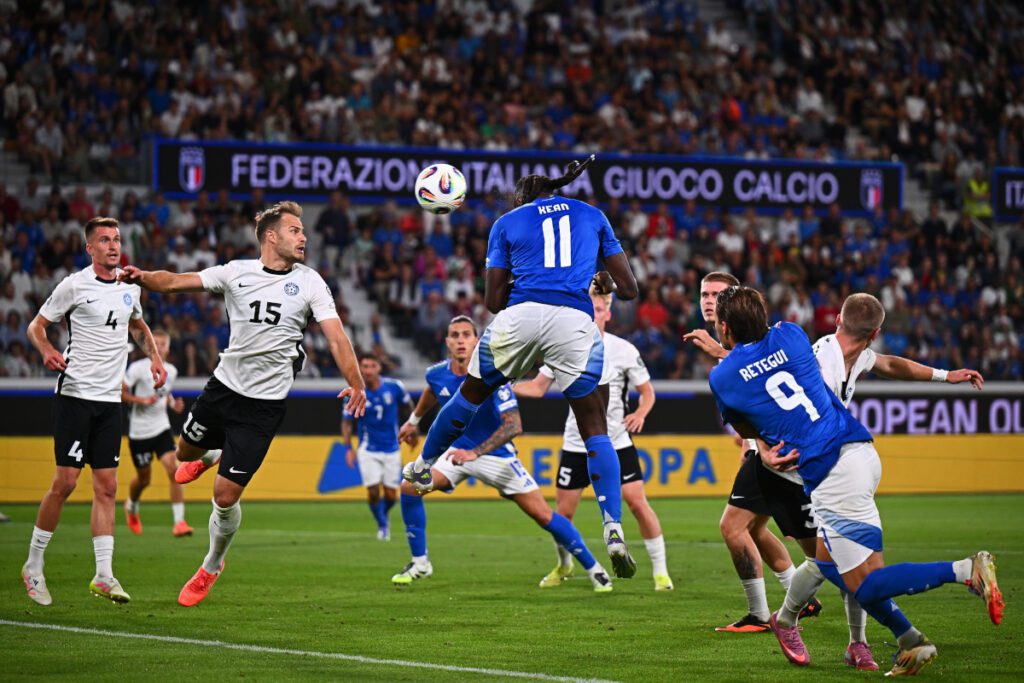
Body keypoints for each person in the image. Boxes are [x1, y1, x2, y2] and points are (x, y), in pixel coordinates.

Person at [707, 287, 1002, 677]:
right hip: (861, 453)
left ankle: (965, 570)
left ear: (724, 328)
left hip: (828, 473)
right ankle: (908, 640)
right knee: (828, 562)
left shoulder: (723, 375)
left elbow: (744, 419)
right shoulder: (792, 334)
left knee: (867, 584)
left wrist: (760, 445)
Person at [403, 156, 642, 579]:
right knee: (594, 428)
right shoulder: (592, 215)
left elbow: (494, 301)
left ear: (520, 198)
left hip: (520, 317)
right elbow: (628, 289)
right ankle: (613, 527)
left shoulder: (507, 222)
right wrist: (589, 273)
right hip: (574, 324)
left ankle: (422, 464)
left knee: (471, 394)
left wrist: (530, 280)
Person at [118, 201, 366, 607]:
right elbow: (177, 281)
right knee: (182, 453)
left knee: (225, 496)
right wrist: (144, 277)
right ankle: (211, 453)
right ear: (271, 236)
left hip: (263, 406)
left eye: (303, 231)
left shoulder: (311, 283)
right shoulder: (236, 272)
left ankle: (211, 565)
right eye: (295, 231)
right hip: (223, 389)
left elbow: (337, 337)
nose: (303, 237)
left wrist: (355, 383)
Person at [394, 316, 614, 592]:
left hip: (497, 456)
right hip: (456, 454)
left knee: (544, 516)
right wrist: (413, 421)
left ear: (476, 341)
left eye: (466, 335)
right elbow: (433, 390)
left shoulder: (492, 376)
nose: (461, 340)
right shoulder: (436, 373)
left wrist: (475, 452)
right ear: (447, 342)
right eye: (455, 335)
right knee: (409, 487)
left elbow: (514, 425)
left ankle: (595, 568)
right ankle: (420, 562)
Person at [23, 216, 167, 606]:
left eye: (116, 239)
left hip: (109, 401)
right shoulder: (74, 285)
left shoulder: (127, 286)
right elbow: (36, 327)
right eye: (104, 240)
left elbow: (137, 325)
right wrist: (48, 350)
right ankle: (33, 565)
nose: (113, 245)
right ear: (89, 248)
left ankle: (104, 575)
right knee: (66, 482)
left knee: (107, 486)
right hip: (75, 396)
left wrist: (154, 358)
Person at [684, 272, 821, 633]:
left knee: (734, 528)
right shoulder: (775, 337)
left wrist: (755, 442)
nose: (709, 300)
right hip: (775, 448)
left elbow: (753, 367)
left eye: (717, 294)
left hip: (776, 452)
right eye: (704, 294)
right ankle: (799, 595)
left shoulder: (739, 348)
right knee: (757, 530)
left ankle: (765, 613)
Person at [514, 283, 672, 591]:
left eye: (598, 308)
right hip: (575, 442)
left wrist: (640, 413)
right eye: (589, 307)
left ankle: (661, 572)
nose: (593, 313)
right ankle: (564, 564)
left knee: (637, 503)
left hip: (617, 440)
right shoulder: (563, 345)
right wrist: (502, 387)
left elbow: (647, 392)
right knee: (563, 513)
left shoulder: (624, 350)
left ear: (608, 313)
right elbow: (536, 388)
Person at [122, 329, 190, 537]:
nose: (159, 347)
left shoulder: (171, 370)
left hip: (161, 427)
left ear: (168, 348)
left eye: (163, 344)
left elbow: (164, 392)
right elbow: (121, 392)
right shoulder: (137, 368)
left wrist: (172, 403)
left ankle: (179, 522)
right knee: (144, 480)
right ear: (148, 346)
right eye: (156, 343)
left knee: (174, 470)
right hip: (139, 432)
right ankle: (131, 506)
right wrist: (141, 401)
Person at [342, 353, 412, 540]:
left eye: (372, 366)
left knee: (391, 495)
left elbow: (408, 407)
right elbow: (347, 423)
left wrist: (412, 428)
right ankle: (382, 524)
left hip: (392, 447)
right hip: (368, 449)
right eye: (364, 366)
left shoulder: (394, 387)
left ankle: (383, 514)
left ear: (379, 368)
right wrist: (348, 448)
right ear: (360, 369)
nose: (368, 370)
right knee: (373, 491)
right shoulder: (354, 392)